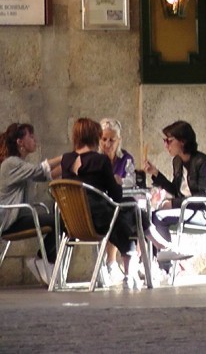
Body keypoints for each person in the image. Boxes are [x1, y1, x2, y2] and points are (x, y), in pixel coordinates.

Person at [62, 118, 188, 289]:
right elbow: (115, 193)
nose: (106, 143)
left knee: (128, 210)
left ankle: (147, 256)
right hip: (99, 221)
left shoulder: (66, 160)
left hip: (73, 222)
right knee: (130, 210)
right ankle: (142, 264)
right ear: (95, 138)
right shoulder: (100, 161)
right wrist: (116, 183)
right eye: (102, 138)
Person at [145, 121, 206, 269]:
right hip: (187, 210)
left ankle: (167, 266)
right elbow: (175, 190)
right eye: (164, 141)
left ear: (183, 141)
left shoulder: (204, 162)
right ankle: (158, 264)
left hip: (204, 214)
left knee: (158, 217)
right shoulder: (177, 162)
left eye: (169, 141)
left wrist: (173, 204)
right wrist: (156, 173)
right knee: (148, 216)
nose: (166, 145)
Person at [0, 123, 62, 285]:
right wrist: (65, 157)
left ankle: (43, 261)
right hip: (9, 221)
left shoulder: (20, 164)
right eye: (31, 137)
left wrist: (69, 163)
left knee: (61, 220)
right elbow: (38, 171)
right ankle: (42, 260)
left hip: (18, 217)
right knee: (60, 221)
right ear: (20, 142)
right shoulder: (11, 163)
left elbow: (45, 176)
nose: (35, 140)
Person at [98, 118, 135, 285]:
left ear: (118, 140)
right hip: (101, 205)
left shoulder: (125, 159)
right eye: (104, 139)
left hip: (120, 201)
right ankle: (113, 263)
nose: (107, 144)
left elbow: (131, 180)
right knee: (115, 216)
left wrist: (119, 180)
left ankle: (126, 264)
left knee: (130, 214)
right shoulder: (96, 159)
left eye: (111, 140)